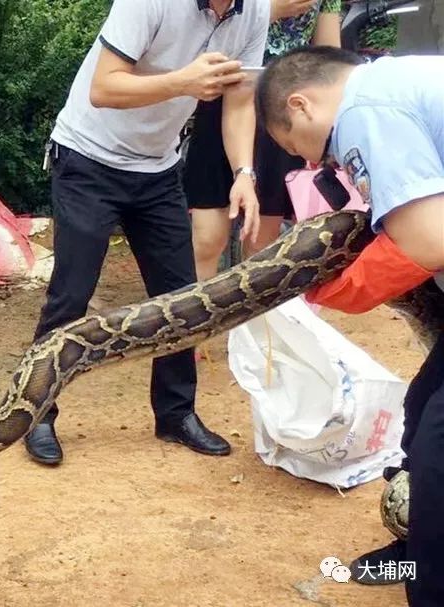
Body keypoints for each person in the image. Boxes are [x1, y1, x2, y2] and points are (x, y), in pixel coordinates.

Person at [24, 0, 269, 466]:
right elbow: (104, 86)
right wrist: (184, 82)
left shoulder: (253, 11)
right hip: (87, 159)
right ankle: (36, 412)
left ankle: (176, 414)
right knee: (70, 296)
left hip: (157, 170)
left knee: (182, 297)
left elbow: (239, 101)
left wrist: (244, 172)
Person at [255, 46, 444, 606]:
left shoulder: (366, 107)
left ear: (303, 105)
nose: (320, 166)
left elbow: (428, 239)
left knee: (437, 452)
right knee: (421, 409)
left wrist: (344, 289)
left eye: (299, 147)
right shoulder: (400, 81)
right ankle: (421, 551)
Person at [186, 0, 342, 282]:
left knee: (262, 242)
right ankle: (196, 318)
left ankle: (251, 321)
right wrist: (271, 12)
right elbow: (209, 24)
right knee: (208, 238)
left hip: (283, 110)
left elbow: (328, 54)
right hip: (223, 96)